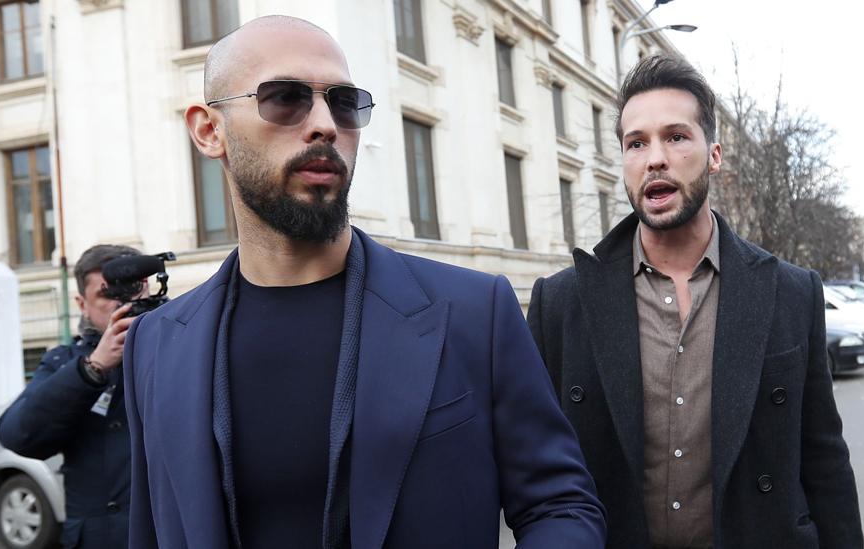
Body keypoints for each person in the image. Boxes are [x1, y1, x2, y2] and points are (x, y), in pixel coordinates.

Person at [122, 15, 606, 549]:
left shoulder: (474, 312)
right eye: (286, 98)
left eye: (345, 102)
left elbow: (559, 506)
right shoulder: (154, 345)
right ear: (209, 130)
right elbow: (150, 528)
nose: (326, 124)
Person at [526, 54, 862, 549]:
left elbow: (824, 459)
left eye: (676, 136)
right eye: (636, 143)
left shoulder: (791, 292)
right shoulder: (561, 302)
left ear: (714, 155)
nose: (654, 158)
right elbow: (534, 469)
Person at [0, 244, 143, 549]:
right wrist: (93, 368)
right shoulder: (64, 361)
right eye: (106, 294)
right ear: (81, 303)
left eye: (133, 288)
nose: (122, 301)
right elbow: (17, 434)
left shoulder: (180, 344)